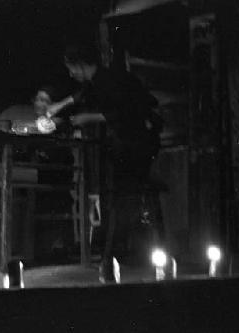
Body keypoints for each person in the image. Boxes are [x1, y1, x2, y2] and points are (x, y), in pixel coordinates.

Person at [46, 43, 164, 274]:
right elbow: (81, 95)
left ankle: (116, 249)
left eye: (72, 68)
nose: (71, 74)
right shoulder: (96, 82)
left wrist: (88, 117)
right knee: (111, 191)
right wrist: (58, 106)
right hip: (126, 144)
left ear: (80, 65)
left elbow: (125, 113)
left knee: (119, 194)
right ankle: (113, 248)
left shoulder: (112, 80)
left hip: (138, 144)